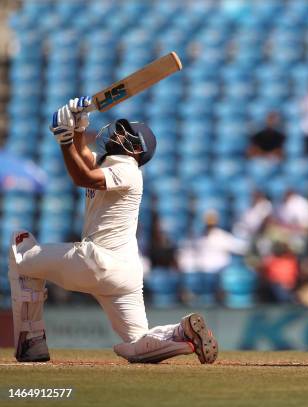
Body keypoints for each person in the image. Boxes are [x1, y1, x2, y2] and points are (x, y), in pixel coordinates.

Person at [8, 97, 218, 364]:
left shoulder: (129, 170)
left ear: (136, 151)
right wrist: (79, 124)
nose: (117, 133)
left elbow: (82, 177)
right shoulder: (109, 161)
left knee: (21, 249)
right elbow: (83, 157)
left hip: (96, 260)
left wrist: (64, 139)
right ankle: (183, 334)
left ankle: (32, 341)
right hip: (126, 273)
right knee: (136, 344)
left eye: (124, 133)